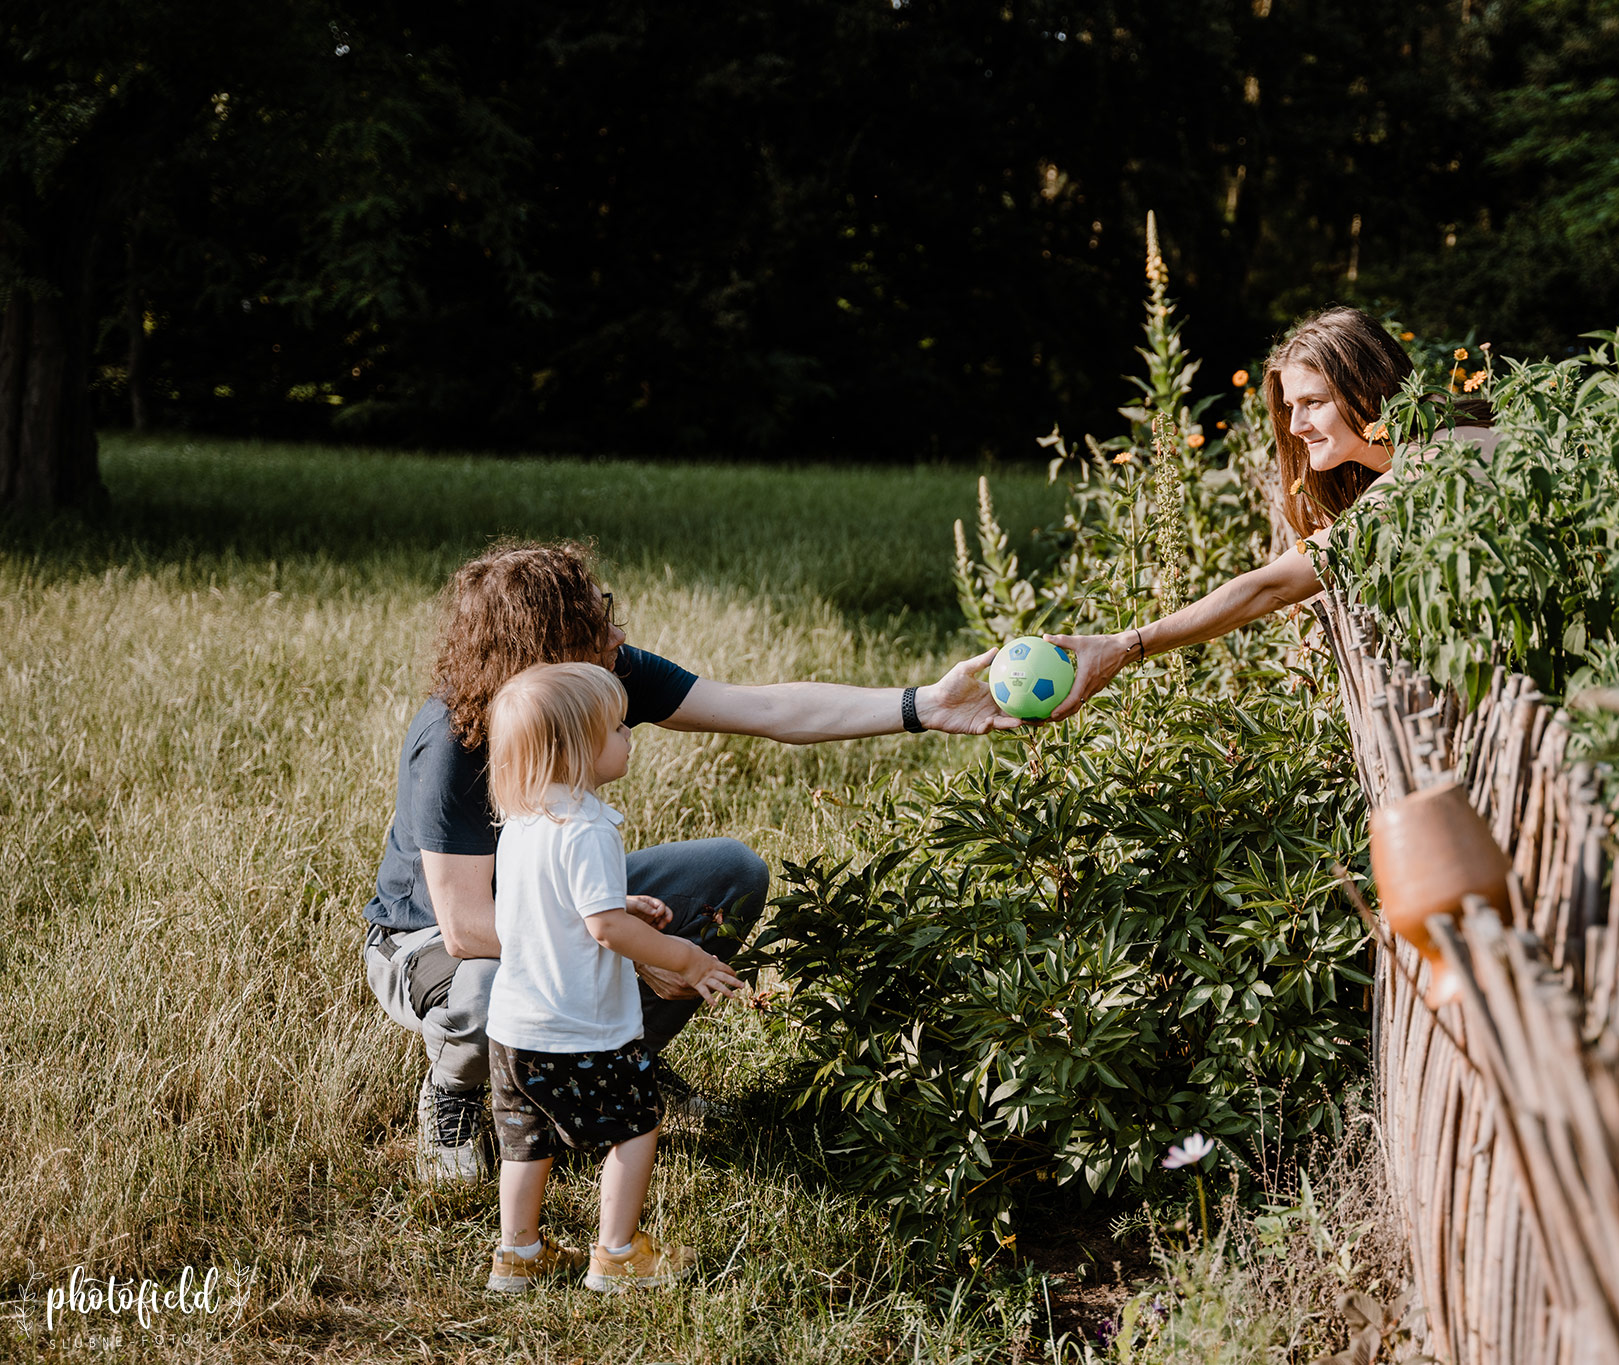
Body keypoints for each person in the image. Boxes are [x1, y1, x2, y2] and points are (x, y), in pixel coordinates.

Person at [364, 540, 1016, 1183]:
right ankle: (453, 1092)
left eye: (606, 609)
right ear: (548, 648)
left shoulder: (601, 678)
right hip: (425, 943)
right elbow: (467, 927)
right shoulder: (452, 737)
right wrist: (629, 947)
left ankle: (617, 1064)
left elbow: (767, 709)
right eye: (597, 622)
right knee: (485, 989)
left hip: (552, 907)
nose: (618, 633)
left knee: (729, 875)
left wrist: (924, 705)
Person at [1047, 307, 1499, 716]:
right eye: (1289, 407)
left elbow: (1270, 587)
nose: (1296, 426)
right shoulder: (1451, 429)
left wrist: (1125, 645)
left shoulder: (1420, 475)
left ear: (1369, 388)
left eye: (1313, 403)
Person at [481, 662, 716, 1294]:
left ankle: (518, 1254)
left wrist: (620, 901)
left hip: (513, 1030)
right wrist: (684, 957)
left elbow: (548, 904)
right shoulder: (587, 827)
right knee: (636, 1124)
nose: (628, 734)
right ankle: (616, 1253)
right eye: (616, 727)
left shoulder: (523, 821)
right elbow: (605, 930)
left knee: (525, 1139)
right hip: (581, 1029)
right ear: (577, 750)